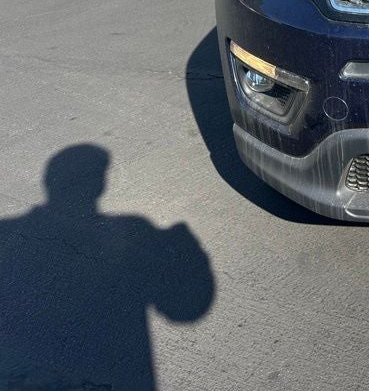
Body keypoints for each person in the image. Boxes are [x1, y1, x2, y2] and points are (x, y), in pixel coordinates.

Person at [0, 144, 215, 390]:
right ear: (100, 185)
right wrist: (189, 249)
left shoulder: (6, 233)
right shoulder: (133, 230)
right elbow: (185, 310)